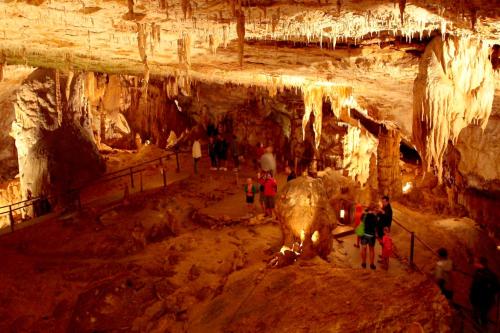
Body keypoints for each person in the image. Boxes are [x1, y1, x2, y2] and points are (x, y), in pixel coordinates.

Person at [469, 257, 498, 326]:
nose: (474, 264)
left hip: (481, 299)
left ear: (480, 264)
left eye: (476, 262)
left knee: (481, 314)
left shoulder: (482, 274)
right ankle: (480, 323)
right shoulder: (489, 274)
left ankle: (480, 326)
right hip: (484, 299)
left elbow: (475, 288)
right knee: (482, 313)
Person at [360, 206, 378, 270]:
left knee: (364, 249)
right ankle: (372, 264)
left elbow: (361, 221)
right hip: (371, 235)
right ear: (373, 209)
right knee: (371, 250)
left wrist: (364, 212)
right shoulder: (375, 216)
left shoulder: (364, 215)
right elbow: (376, 225)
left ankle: (364, 263)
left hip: (364, 234)